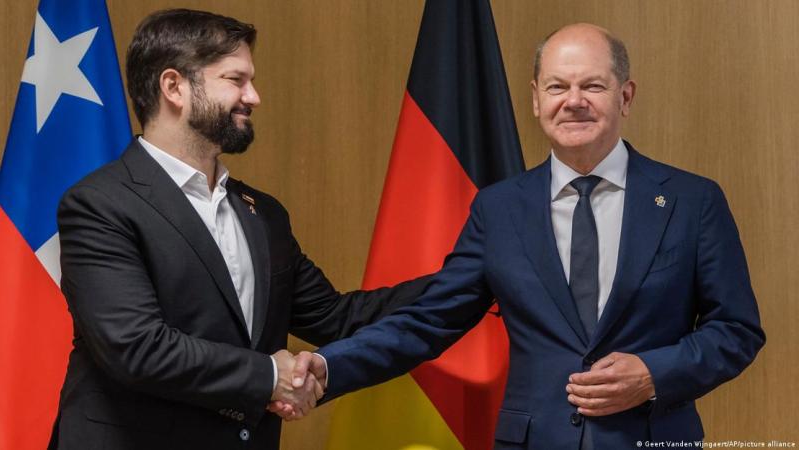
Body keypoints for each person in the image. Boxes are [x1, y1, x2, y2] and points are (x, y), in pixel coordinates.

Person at [288, 23, 765, 449]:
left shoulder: (691, 200)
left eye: (592, 85)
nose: (573, 100)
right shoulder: (499, 209)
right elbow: (426, 321)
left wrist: (654, 374)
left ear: (625, 96)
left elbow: (736, 330)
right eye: (558, 86)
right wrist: (329, 366)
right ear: (536, 98)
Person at [49, 8, 430, 450]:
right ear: (174, 87)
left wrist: (470, 278)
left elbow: (339, 318)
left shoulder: (263, 214)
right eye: (235, 79)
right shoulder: (98, 204)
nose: (254, 96)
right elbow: (137, 348)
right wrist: (271, 376)